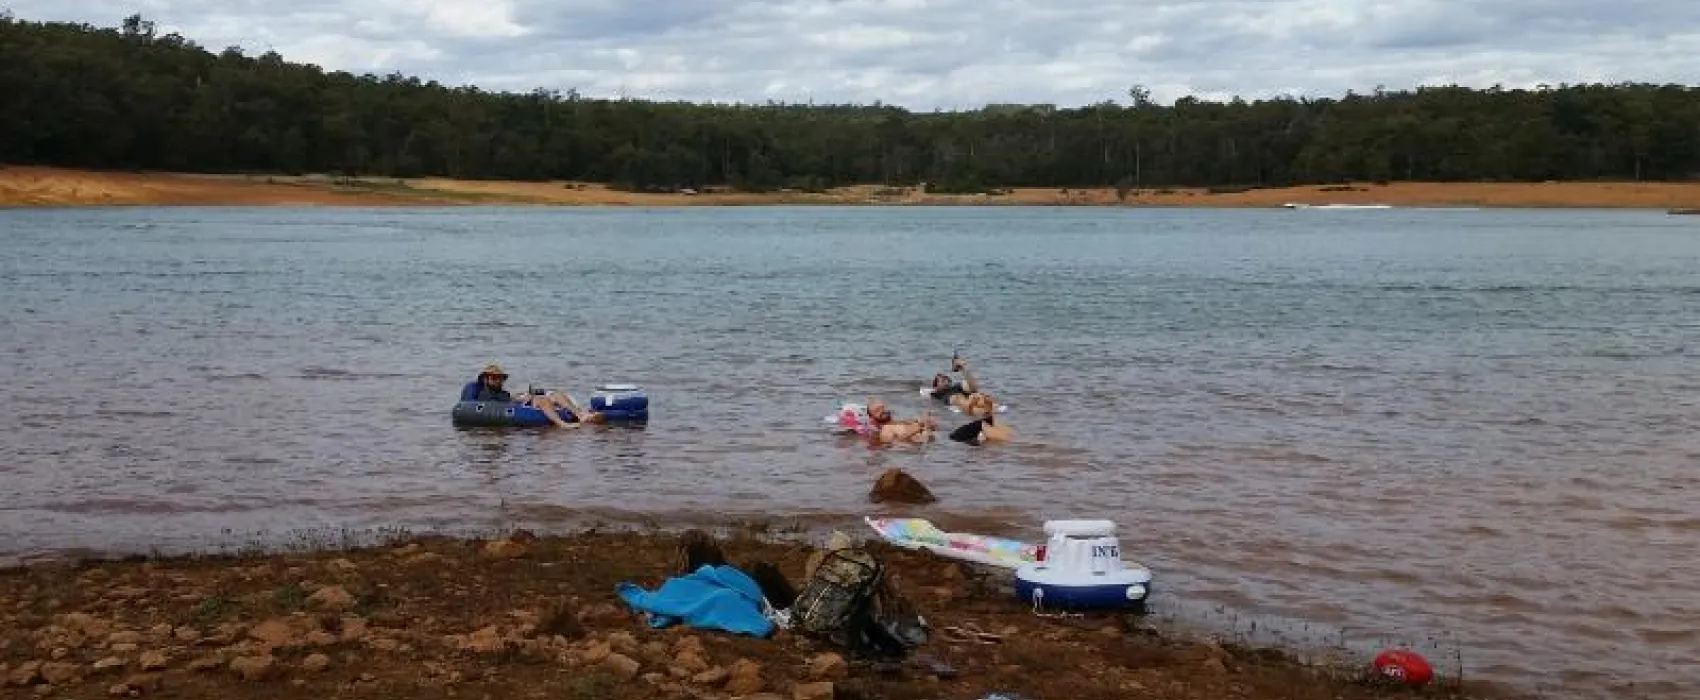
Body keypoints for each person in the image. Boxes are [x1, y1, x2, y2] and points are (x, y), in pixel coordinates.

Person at [459, 364, 600, 428]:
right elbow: (503, 404)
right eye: (494, 378)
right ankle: (562, 424)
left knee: (555, 394)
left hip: (517, 405)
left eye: (500, 378)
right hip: (514, 410)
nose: (498, 380)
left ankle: (580, 414)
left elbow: (509, 398)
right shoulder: (484, 394)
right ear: (485, 379)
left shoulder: (502, 392)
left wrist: (523, 396)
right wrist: (525, 399)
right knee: (542, 400)